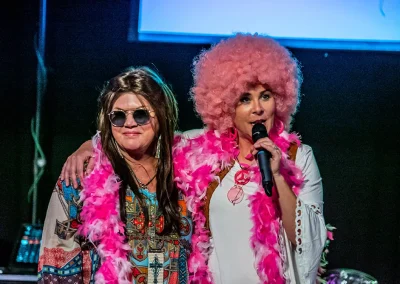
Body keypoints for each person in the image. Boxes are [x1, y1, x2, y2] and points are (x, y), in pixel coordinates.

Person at [61, 34, 327, 283]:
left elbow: (310, 242)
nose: (257, 108)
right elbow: (148, 135)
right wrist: (91, 145)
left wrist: (278, 176)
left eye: (265, 96)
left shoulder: (298, 157)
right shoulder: (203, 149)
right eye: (245, 99)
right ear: (226, 105)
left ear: (280, 98)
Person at [38, 67, 192, 284]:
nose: (129, 123)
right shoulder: (82, 175)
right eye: (118, 116)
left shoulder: (187, 171)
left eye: (141, 114)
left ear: (162, 114)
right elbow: (56, 264)